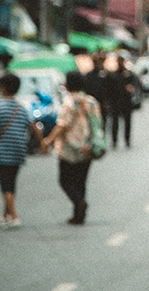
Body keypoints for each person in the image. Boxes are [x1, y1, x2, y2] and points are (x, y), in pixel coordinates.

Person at [42, 71, 100, 225]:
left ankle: (79, 203)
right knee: (81, 181)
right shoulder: (91, 101)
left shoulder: (69, 102)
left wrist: (48, 140)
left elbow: (62, 124)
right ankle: (78, 214)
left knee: (65, 180)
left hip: (69, 147)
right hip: (88, 146)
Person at [0, 73, 44, 228]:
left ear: (2, 88)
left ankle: (15, 216)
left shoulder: (1, 107)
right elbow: (34, 127)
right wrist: (42, 143)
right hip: (18, 151)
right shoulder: (21, 107)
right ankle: (5, 215)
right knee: (11, 182)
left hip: (3, 152)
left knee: (6, 185)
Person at [109, 54, 137, 148]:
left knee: (127, 122)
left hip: (126, 101)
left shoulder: (129, 75)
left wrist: (131, 88)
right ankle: (114, 140)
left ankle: (127, 140)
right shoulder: (113, 75)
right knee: (115, 122)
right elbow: (110, 88)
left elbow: (135, 84)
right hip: (116, 101)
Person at [84, 51, 111, 132]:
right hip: (92, 102)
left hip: (102, 102)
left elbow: (109, 88)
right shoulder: (89, 75)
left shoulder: (106, 74)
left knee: (103, 122)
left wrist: (107, 101)